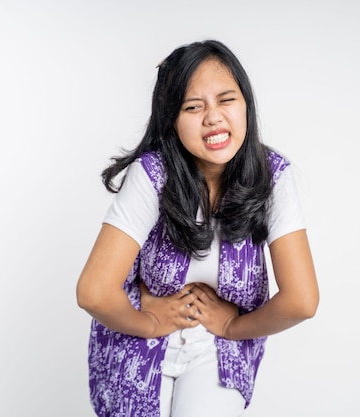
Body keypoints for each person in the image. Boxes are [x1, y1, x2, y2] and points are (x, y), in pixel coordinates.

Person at [76, 39, 319, 417]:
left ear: (246, 105)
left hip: (218, 350)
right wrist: (148, 320)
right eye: (193, 107)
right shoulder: (152, 175)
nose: (214, 117)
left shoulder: (273, 177)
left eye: (226, 100)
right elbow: (94, 291)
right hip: (134, 342)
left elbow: (302, 300)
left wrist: (233, 326)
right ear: (172, 119)